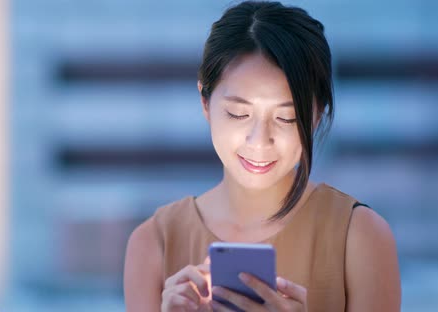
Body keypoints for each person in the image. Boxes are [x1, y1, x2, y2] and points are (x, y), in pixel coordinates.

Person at [124, 1, 401, 311]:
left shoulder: (359, 235)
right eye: (238, 113)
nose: (260, 141)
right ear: (205, 102)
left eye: (286, 118)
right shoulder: (154, 242)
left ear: (317, 115)